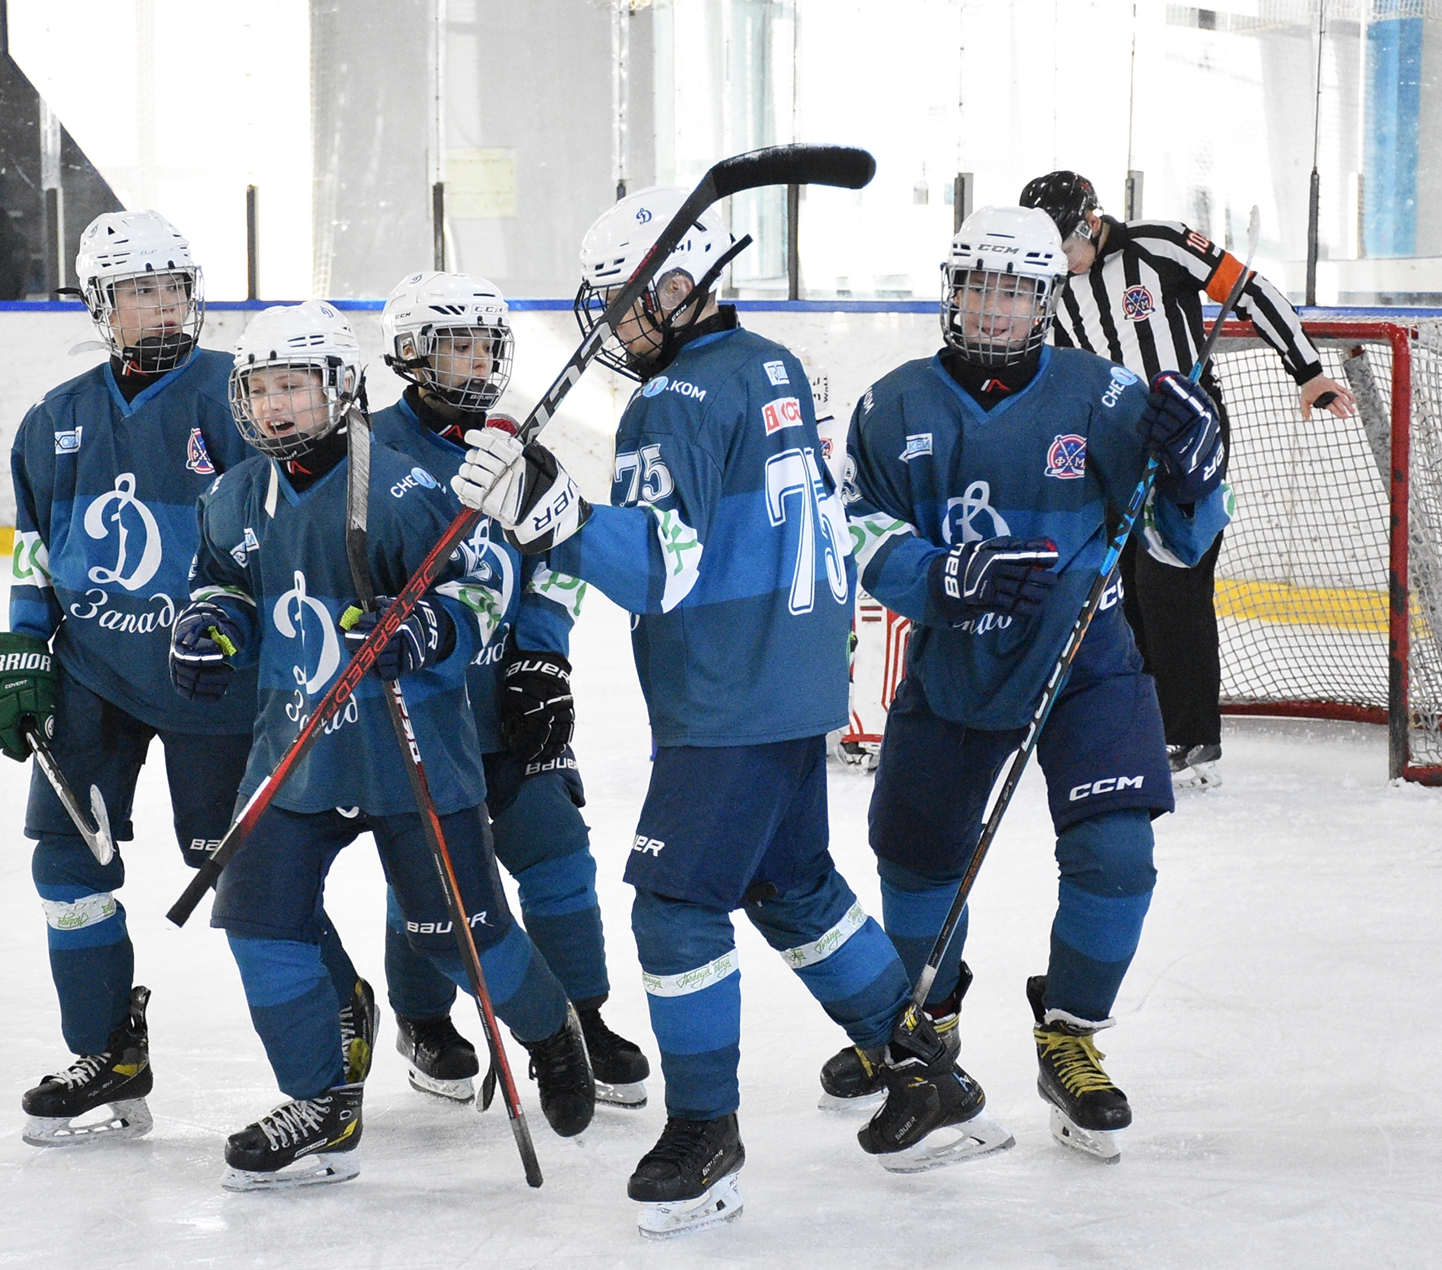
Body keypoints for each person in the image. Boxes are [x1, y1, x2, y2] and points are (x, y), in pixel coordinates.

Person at [454, 188, 1010, 1240]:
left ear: (677, 287)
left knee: (673, 904)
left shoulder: (669, 402)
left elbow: (660, 568)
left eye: (623, 300)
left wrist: (550, 516)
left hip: (730, 692)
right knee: (790, 883)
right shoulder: (770, 366)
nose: (611, 323)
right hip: (796, 677)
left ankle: (704, 1131)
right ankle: (922, 1074)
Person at [832, 205, 1232, 1164]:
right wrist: (940, 577)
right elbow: (849, 527)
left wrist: (1195, 468)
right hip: (956, 660)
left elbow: (1180, 541)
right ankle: (929, 1021)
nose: (993, 307)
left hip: (1083, 657)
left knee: (1117, 854)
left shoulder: (1106, 397)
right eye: (976, 285)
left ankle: (1068, 1035)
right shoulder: (892, 405)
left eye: (1013, 289)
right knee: (918, 855)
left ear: (1045, 298)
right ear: (950, 291)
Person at [171, 301, 595, 1191]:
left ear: (340, 388)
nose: (276, 407)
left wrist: (426, 631)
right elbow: (225, 585)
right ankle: (323, 1105)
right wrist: (209, 625)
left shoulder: (402, 490)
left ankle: (549, 1025)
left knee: (460, 938)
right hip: (296, 751)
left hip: (412, 752)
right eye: (260, 388)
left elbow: (486, 590)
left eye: (295, 385)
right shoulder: (235, 493)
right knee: (256, 918)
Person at [0, 210, 371, 1150]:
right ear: (99, 304)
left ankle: (338, 1001)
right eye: (139, 293)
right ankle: (107, 1050)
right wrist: (23, 642)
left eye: (175, 289)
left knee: (238, 874)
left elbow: (294, 535)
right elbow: (37, 548)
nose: (161, 310)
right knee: (67, 867)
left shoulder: (239, 400)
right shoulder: (55, 418)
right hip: (92, 678)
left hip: (217, 685)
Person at [369, 269, 650, 1109]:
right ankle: (423, 1018)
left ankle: (581, 1017)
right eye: (456, 342)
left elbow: (557, 565)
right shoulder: (366, 450)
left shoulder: (520, 447)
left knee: (559, 852)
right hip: (416, 706)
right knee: (426, 878)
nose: (477, 358)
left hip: (502, 703)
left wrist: (541, 657)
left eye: (488, 342)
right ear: (411, 352)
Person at [1019, 170, 1356, 789]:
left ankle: (1191, 735)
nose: (1058, 261)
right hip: (1118, 442)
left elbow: (1252, 293)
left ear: (1090, 222)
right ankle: (1141, 722)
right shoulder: (1055, 288)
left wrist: (1307, 370)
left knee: (1171, 576)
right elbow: (1066, 371)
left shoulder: (1160, 242)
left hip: (1189, 431)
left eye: (1064, 246)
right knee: (1119, 580)